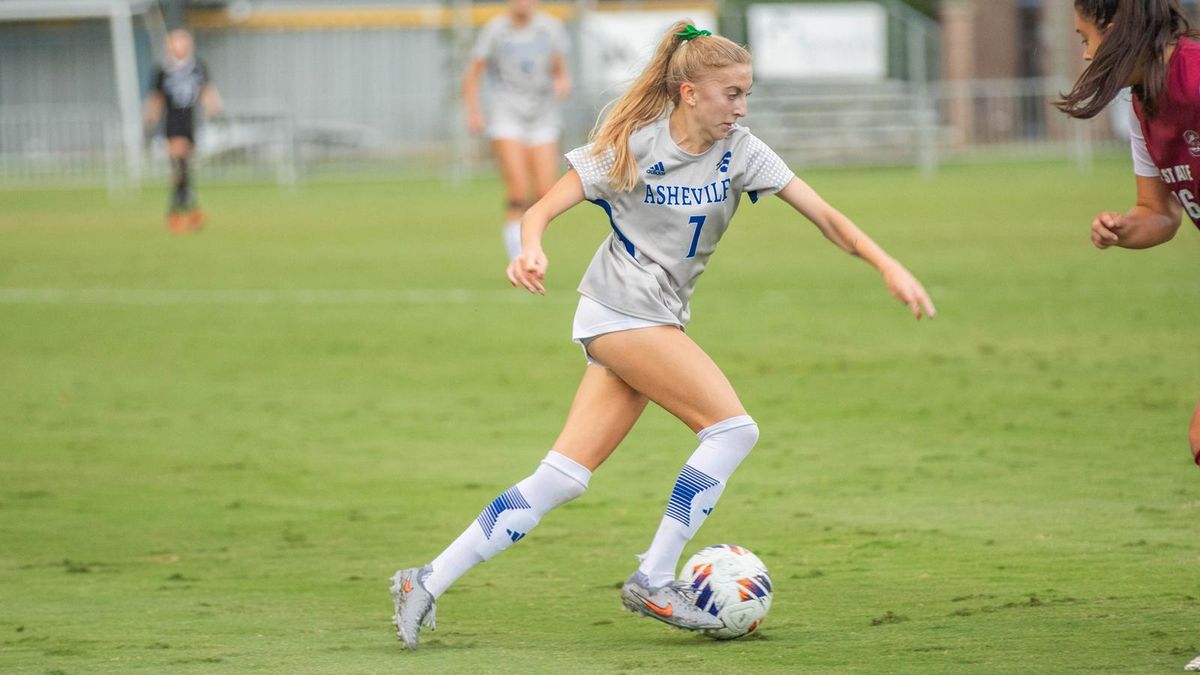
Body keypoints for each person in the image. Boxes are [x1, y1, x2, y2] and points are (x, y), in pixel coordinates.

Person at [390, 22, 936, 649]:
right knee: (733, 430)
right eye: (730, 93)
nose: (741, 106)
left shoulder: (745, 151)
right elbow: (539, 208)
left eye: (747, 93)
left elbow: (827, 218)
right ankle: (654, 575)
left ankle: (426, 579)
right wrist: (530, 250)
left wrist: (886, 264)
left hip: (650, 317)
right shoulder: (631, 146)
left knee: (563, 477)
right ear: (688, 93)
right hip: (621, 310)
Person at [1054, 0, 1199, 669]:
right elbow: (1158, 214)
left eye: (1086, 38)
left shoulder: (1196, 74)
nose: (1084, 56)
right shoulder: (1146, 104)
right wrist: (1123, 228)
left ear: (1118, 26)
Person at [463, 0, 571, 260]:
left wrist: (561, 82)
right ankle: (519, 256)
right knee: (518, 191)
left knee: (545, 192)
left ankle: (529, 244)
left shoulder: (551, 28)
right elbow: (473, 74)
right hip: (507, 114)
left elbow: (560, 69)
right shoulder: (495, 30)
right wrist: (474, 111)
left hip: (542, 115)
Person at [143, 29, 223, 234]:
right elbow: (156, 99)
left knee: (182, 169)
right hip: (172, 121)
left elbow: (207, 91)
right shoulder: (163, 70)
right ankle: (182, 213)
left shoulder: (197, 67)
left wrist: (216, 112)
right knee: (179, 165)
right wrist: (149, 123)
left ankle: (182, 211)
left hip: (190, 121)